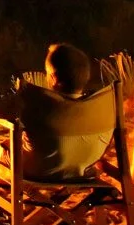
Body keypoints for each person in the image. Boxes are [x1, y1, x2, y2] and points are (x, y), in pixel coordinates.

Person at [7, 43, 114, 180]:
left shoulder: (35, 101)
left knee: (1, 151)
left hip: (38, 171)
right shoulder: (103, 105)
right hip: (83, 168)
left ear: (53, 78)